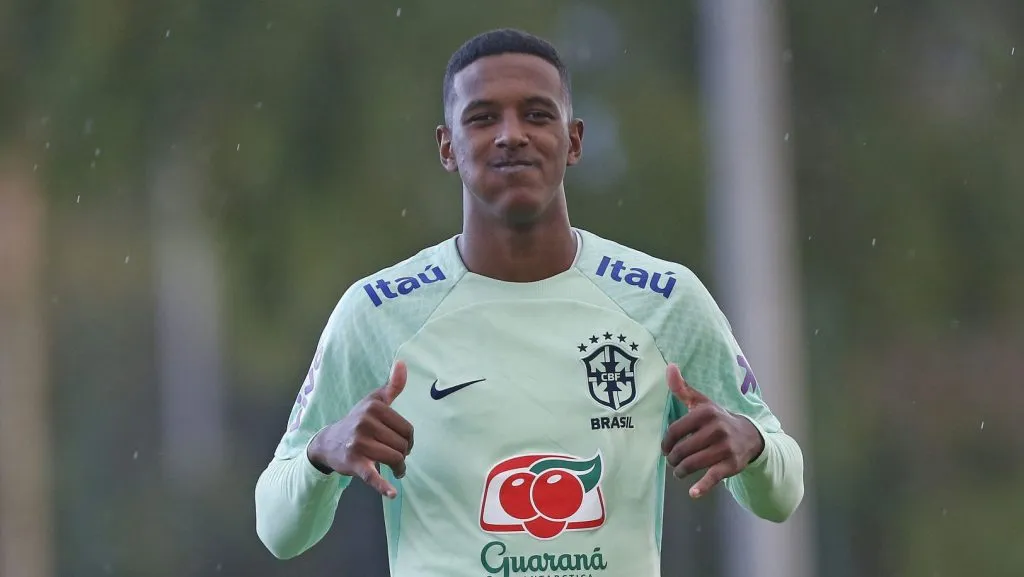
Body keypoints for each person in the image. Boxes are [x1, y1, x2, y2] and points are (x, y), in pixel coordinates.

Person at [254, 27, 804, 577]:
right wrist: (323, 451)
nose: (511, 135)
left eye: (537, 115)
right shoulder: (376, 311)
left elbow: (782, 495)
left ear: (574, 141)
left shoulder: (665, 299)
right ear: (447, 147)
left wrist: (753, 444)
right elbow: (278, 530)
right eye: (482, 118)